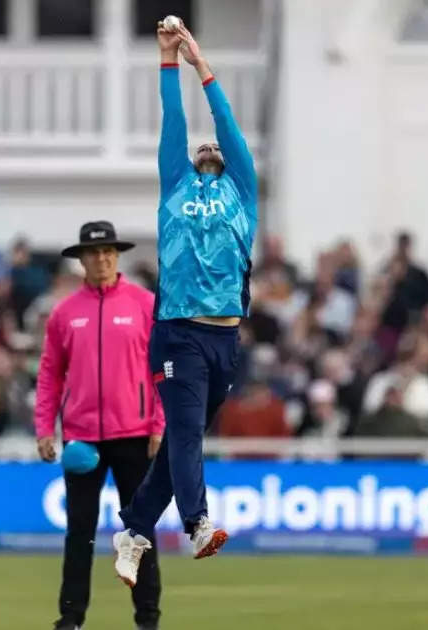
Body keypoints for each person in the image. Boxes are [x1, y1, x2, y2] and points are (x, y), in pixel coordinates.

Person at [113, 19, 258, 587]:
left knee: (182, 442)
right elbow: (176, 123)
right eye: (202, 147)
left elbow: (229, 128)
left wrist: (204, 65)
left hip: (225, 337)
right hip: (178, 329)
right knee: (188, 435)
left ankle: (134, 531)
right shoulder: (175, 182)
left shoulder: (242, 191)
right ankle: (197, 524)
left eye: (214, 146)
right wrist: (168, 61)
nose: (208, 144)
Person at [34, 222, 164, 630]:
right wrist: (44, 427)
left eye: (108, 252)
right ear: (82, 260)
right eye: (93, 253)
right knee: (80, 534)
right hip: (82, 441)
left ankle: (147, 617)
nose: (102, 259)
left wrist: (160, 424)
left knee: (139, 536)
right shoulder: (65, 313)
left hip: (137, 436)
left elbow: (163, 369)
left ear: (117, 255)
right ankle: (71, 617)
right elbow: (50, 373)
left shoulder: (144, 304)